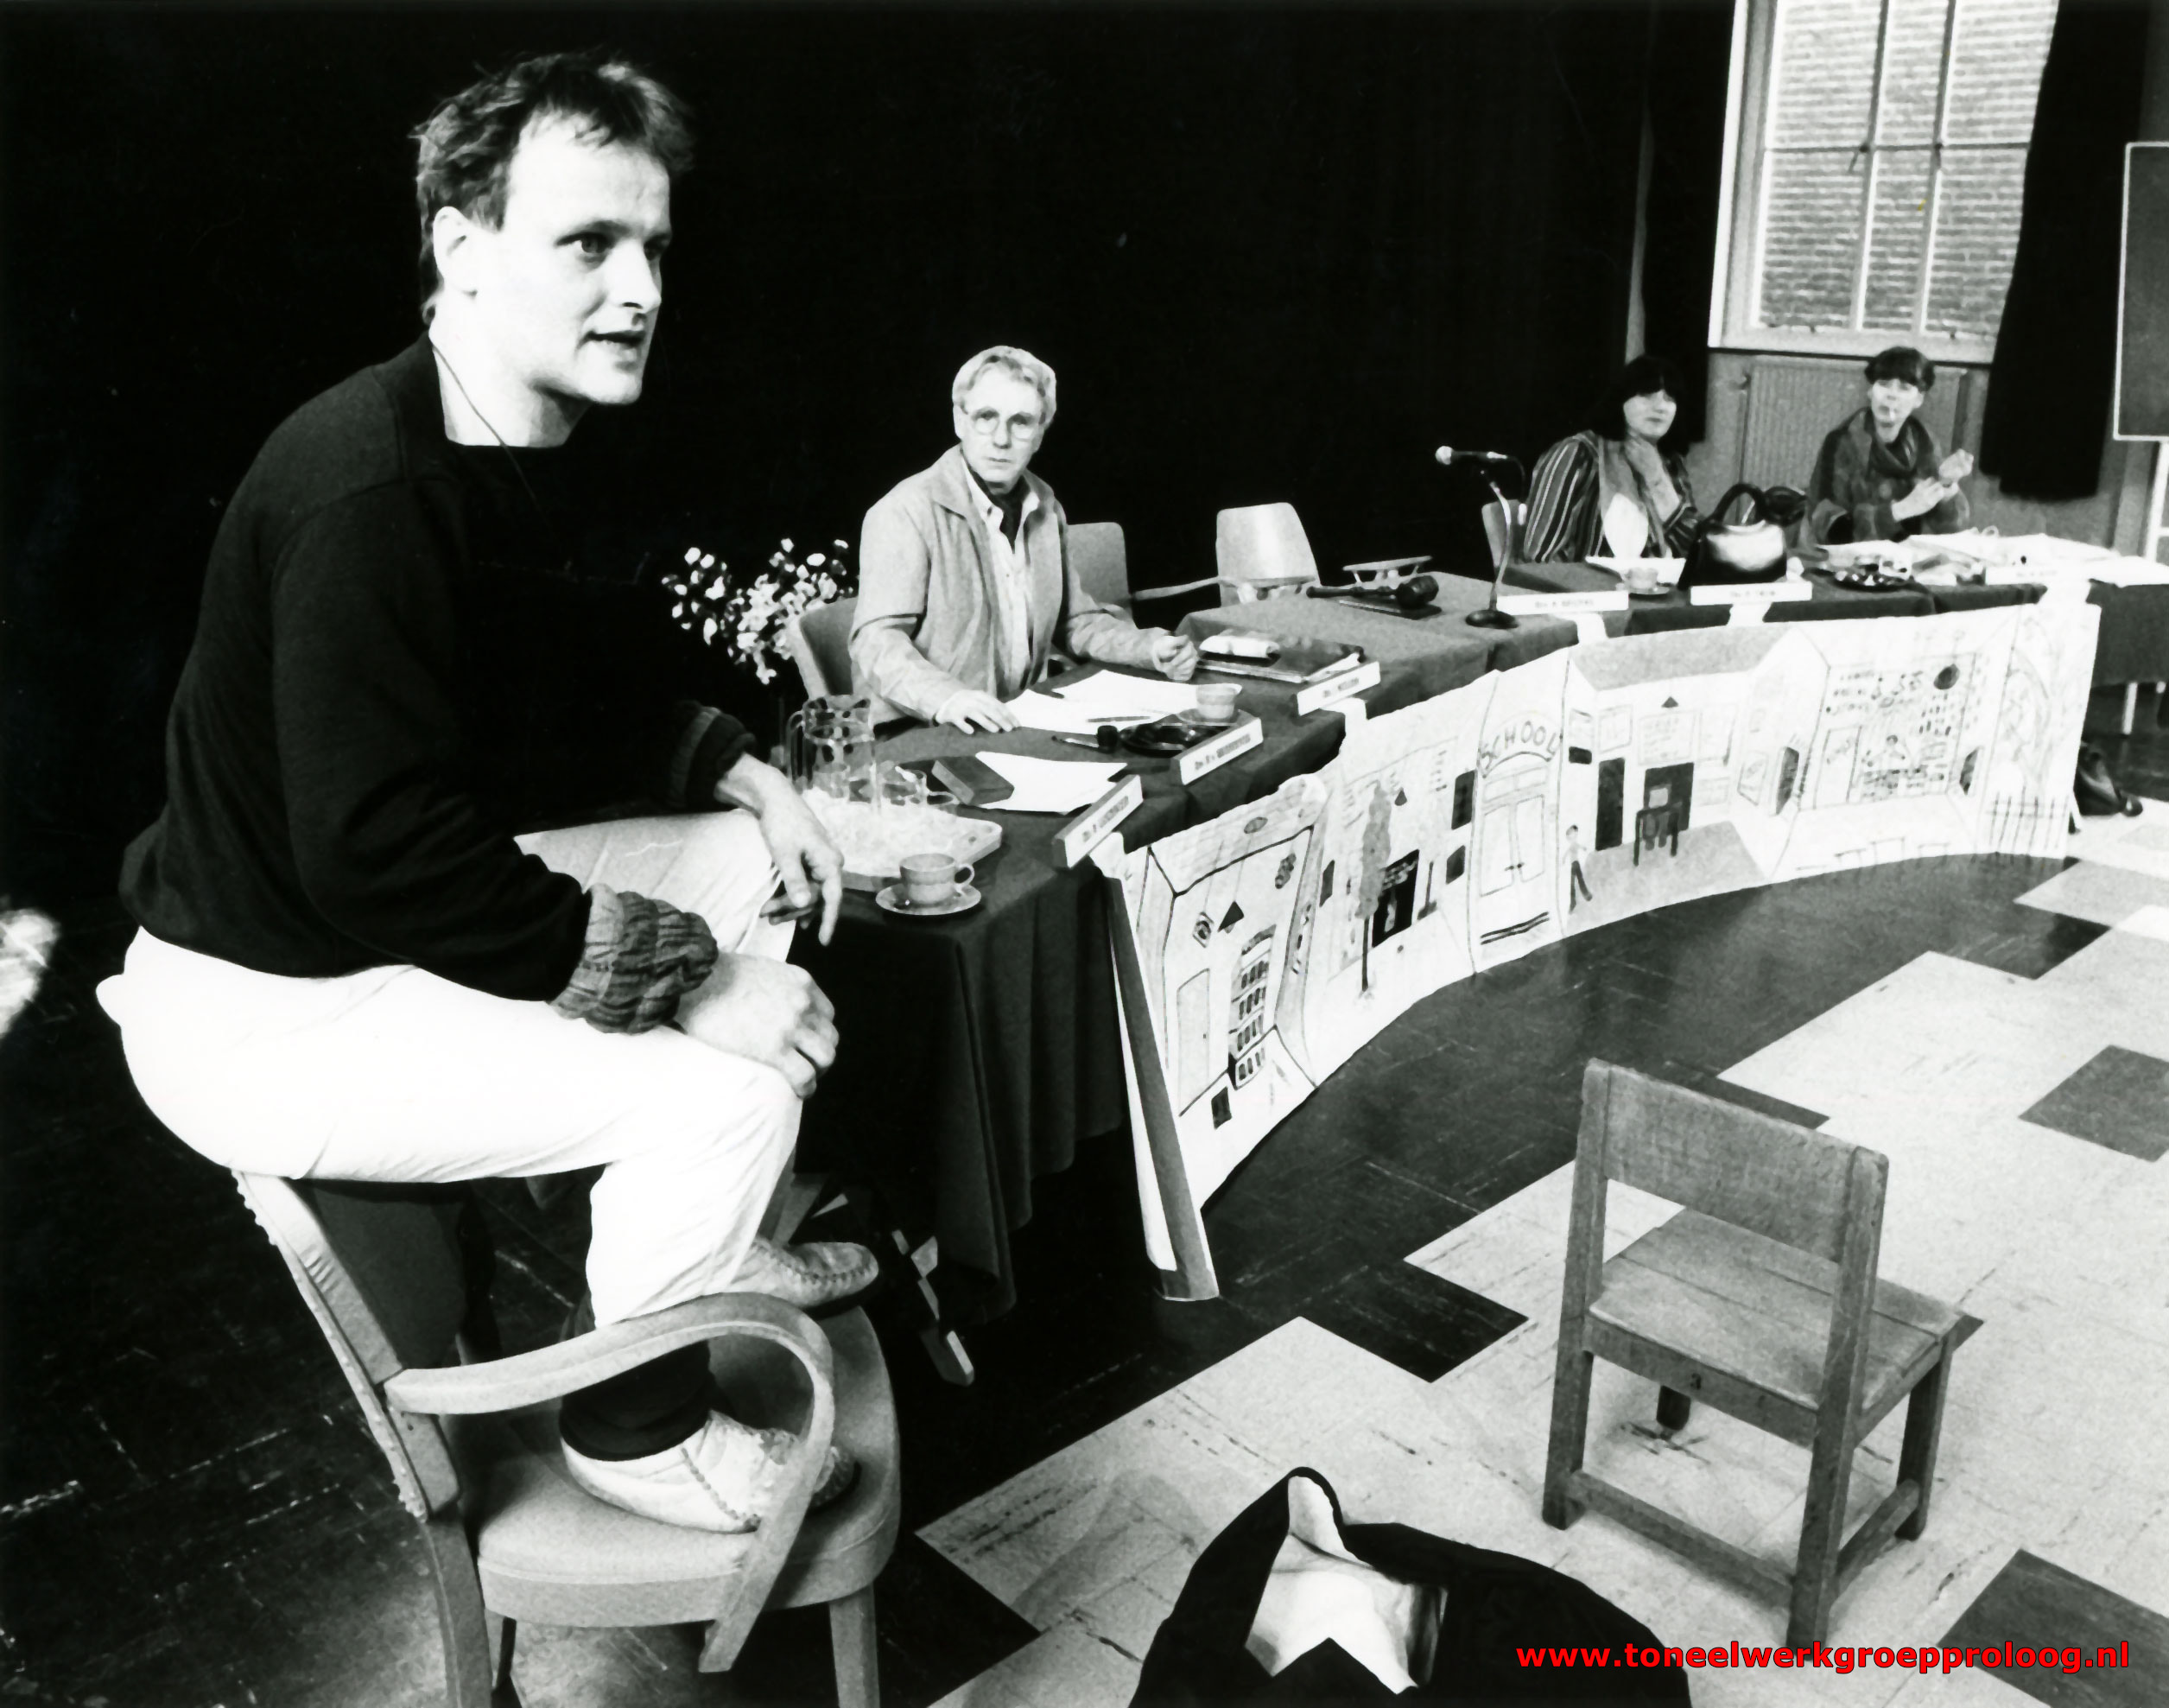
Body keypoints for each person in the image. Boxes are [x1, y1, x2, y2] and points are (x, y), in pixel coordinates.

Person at [99, 51, 879, 1535]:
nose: (638, 289)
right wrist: (692, 983)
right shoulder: (369, 487)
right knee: (729, 1088)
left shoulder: (508, 439)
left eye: (653, 247)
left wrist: (747, 774)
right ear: (461, 247)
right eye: (587, 243)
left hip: (352, 939)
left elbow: (563, 691)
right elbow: (380, 853)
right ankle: (637, 1429)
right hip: (271, 1010)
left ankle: (694, 1253)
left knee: (750, 860)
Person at [851, 346, 1200, 731]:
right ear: (959, 421)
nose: (1001, 439)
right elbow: (876, 642)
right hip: (926, 730)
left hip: (1018, 719)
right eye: (986, 417)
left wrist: (1149, 648)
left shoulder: (1046, 507)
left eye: (1021, 422)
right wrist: (947, 698)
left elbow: (1076, 622)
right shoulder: (904, 511)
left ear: (1039, 435)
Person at [1521, 355, 1702, 565]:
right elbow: (1541, 555)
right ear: (1621, 400)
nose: (1661, 407)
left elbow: (1695, 552)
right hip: (1588, 585)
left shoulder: (1672, 463)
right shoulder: (1577, 454)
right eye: (1646, 395)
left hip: (1657, 584)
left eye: (1670, 398)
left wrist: (1657, 478)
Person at [1806, 346, 1973, 544]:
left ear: (1919, 399)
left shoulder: (1923, 441)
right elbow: (1828, 527)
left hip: (1904, 556)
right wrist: (1899, 511)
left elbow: (1952, 528)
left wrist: (1947, 485)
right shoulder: (1842, 441)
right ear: (1871, 391)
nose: (1891, 395)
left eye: (1904, 388)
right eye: (1884, 384)